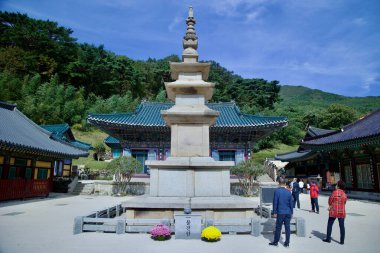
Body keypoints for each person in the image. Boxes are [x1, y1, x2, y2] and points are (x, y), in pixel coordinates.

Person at [269, 177, 293, 248]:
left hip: (280, 212)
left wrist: (274, 212)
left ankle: (276, 242)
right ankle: (287, 243)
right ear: (285, 184)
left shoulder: (277, 191)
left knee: (278, 227)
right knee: (287, 227)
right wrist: (291, 212)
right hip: (288, 212)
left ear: (279, 184)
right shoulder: (288, 192)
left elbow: (275, 202)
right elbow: (291, 203)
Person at [323, 180, 347, 245]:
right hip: (341, 211)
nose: (335, 186)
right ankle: (342, 241)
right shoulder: (344, 194)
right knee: (342, 226)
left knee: (330, 224)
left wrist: (331, 204)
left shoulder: (334, 192)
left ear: (338, 186)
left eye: (336, 185)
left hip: (334, 210)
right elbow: (345, 202)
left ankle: (328, 238)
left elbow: (330, 200)